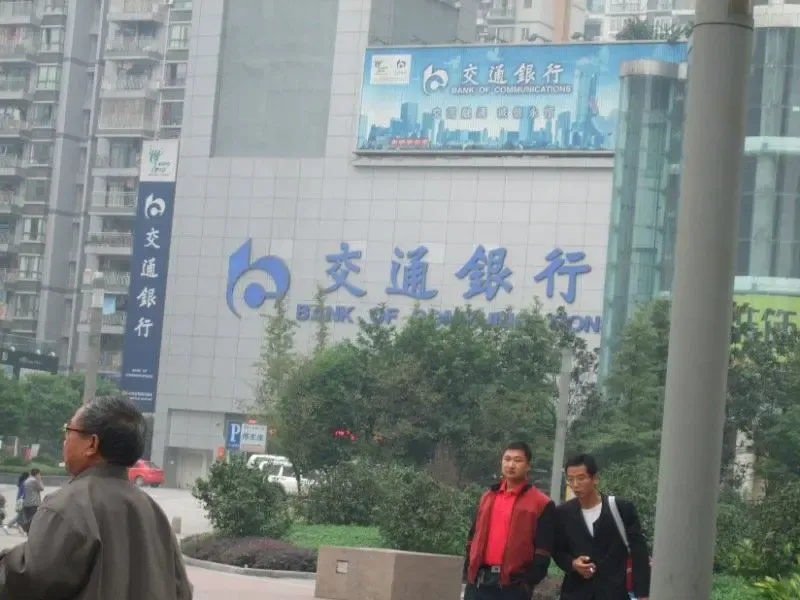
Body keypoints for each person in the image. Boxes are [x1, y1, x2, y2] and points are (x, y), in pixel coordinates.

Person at [0, 395, 193, 599]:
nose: (65, 440)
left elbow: (27, 580)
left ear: (92, 444)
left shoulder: (69, 505)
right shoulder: (153, 511)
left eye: (69, 431)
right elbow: (182, 591)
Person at [464, 441, 556, 599]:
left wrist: (528, 582)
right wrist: (469, 569)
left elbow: (544, 549)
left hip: (513, 586)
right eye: (507, 459)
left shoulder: (541, 503)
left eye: (517, 460)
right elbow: (472, 536)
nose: (511, 465)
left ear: (528, 466)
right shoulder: (488, 497)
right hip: (479, 582)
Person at [554, 454, 650, 600]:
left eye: (581, 478)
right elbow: (557, 550)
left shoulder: (621, 509)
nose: (575, 484)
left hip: (614, 592)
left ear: (595, 479)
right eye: (570, 479)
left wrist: (643, 594)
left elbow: (639, 553)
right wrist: (573, 563)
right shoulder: (562, 513)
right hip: (576, 592)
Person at [20, 468, 43, 534]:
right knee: (33, 518)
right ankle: (24, 526)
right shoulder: (34, 481)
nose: (40, 476)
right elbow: (41, 488)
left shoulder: (27, 480)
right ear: (37, 474)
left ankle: (28, 532)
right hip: (33, 502)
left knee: (29, 518)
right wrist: (40, 480)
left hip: (26, 502)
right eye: (39, 474)